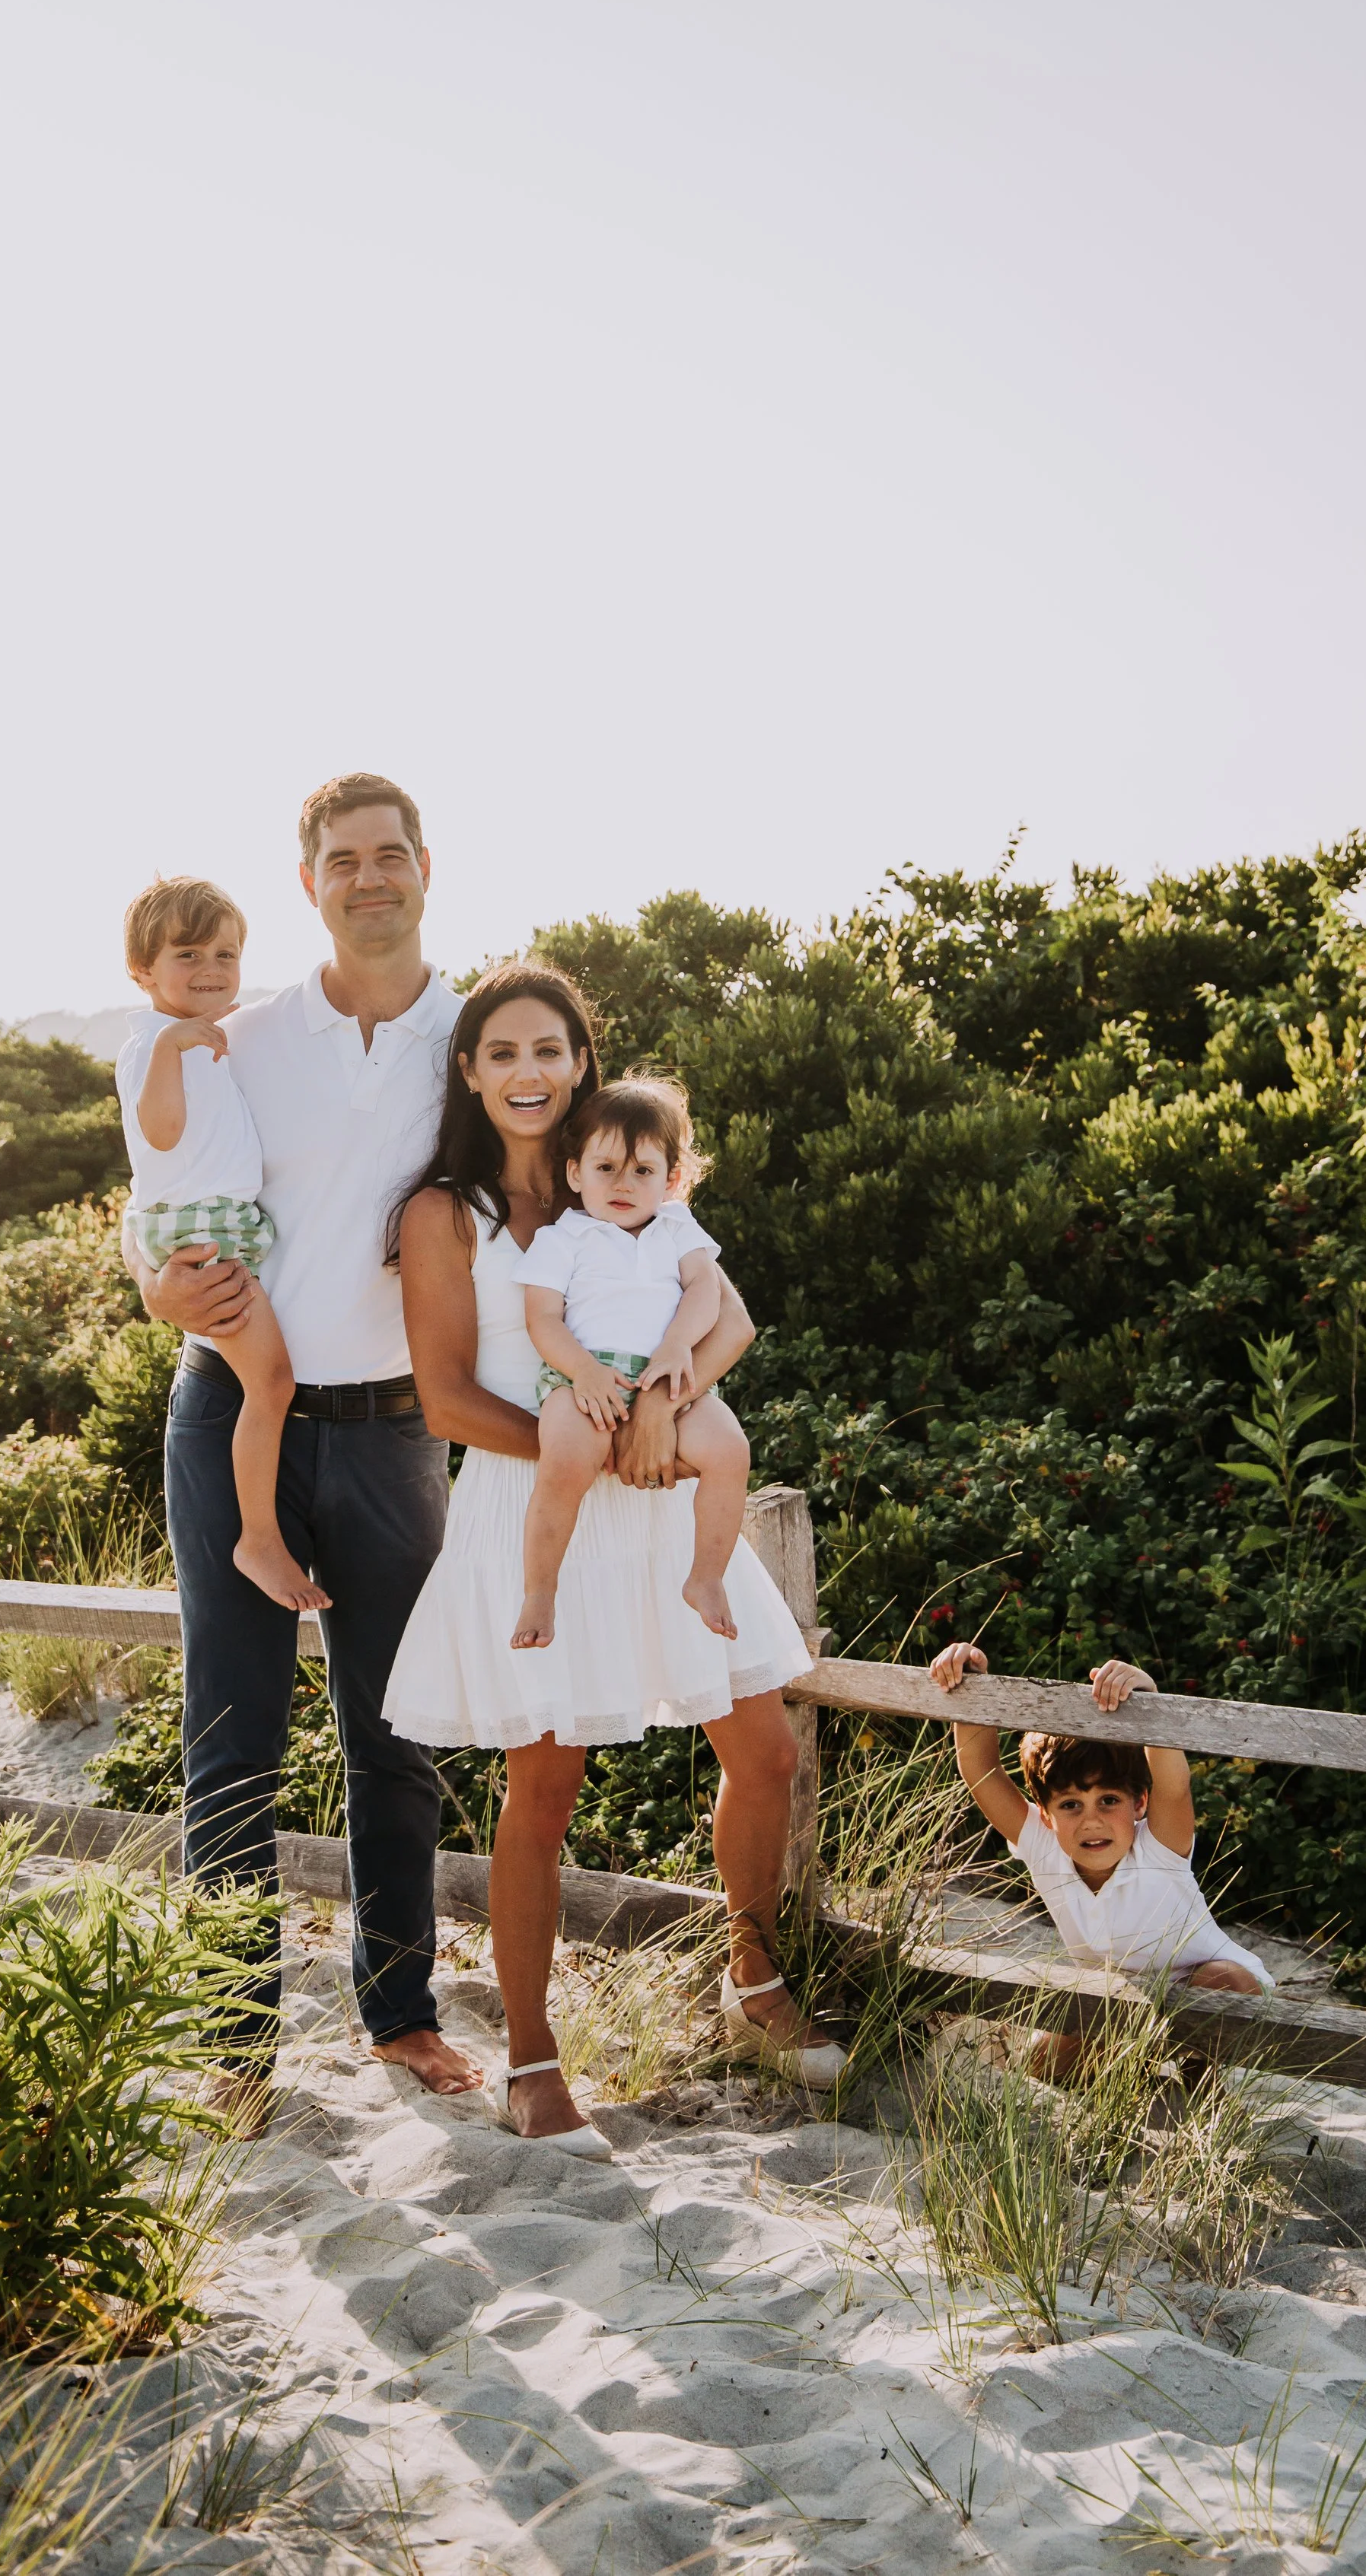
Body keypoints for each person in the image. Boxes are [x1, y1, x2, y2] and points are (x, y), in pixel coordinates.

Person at [383, 963, 849, 2156]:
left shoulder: (638, 1183)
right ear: (471, 1071)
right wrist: (585, 1443)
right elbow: (443, 1397)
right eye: (504, 1053)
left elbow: (719, 1319)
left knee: (767, 1743)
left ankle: (750, 1971)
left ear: (582, 1061)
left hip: (660, 1501)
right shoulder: (445, 1213)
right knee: (544, 1787)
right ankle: (532, 2058)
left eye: (551, 1050)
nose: (530, 1073)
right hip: (541, 1501)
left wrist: (660, 1407)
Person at [120, 772, 482, 2126]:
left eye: (391, 854)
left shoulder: (476, 1032)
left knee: (398, 1737)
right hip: (231, 1412)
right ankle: (234, 2044)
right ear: (310, 881)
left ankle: (399, 2016)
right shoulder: (240, 1035)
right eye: (344, 857)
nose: (369, 875)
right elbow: (156, 1183)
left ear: (426, 868)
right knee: (232, 1737)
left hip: (394, 1429)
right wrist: (149, 1281)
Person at [117, 876, 320, 1617]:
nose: (211, 967)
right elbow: (161, 1135)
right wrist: (173, 1047)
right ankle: (258, 1538)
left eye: (226, 954)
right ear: (142, 970)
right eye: (188, 953)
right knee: (271, 1386)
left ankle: (262, 1533)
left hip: (220, 1225)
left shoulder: (197, 1039)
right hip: (204, 1238)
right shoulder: (149, 1046)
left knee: (266, 1382)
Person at [929, 1644, 1270, 2066]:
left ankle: (1200, 2090)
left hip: (1210, 1987)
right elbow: (981, 1772)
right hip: (1117, 2003)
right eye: (1071, 1805)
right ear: (1047, 1814)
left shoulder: (1159, 1846)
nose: (1091, 1821)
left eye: (1108, 1800)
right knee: (1044, 2061)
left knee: (1220, 1984)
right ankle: (1139, 2085)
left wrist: (1150, 1703)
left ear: (1140, 1803)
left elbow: (1175, 1784)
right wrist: (972, 1687)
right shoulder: (1042, 1844)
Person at [508, 1077, 750, 1652]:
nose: (623, 1183)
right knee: (566, 1459)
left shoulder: (678, 1229)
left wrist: (675, 1348)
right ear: (575, 1173)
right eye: (607, 1168)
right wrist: (585, 1373)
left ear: (669, 1182)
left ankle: (706, 1578)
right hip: (585, 1379)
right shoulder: (564, 1237)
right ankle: (541, 1591)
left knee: (730, 1451)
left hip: (670, 1376)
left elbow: (704, 1293)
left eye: (643, 1171)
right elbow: (543, 1318)